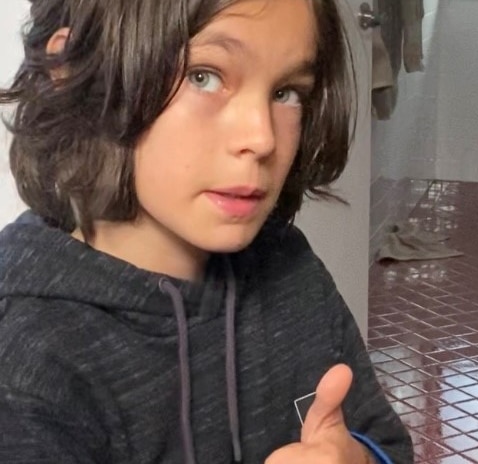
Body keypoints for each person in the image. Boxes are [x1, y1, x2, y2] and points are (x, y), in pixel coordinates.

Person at [0, 0, 413, 463]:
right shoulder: (25, 361)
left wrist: (356, 458)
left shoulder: (292, 271)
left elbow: (388, 447)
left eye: (286, 92)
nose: (262, 139)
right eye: (204, 76)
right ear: (76, 69)